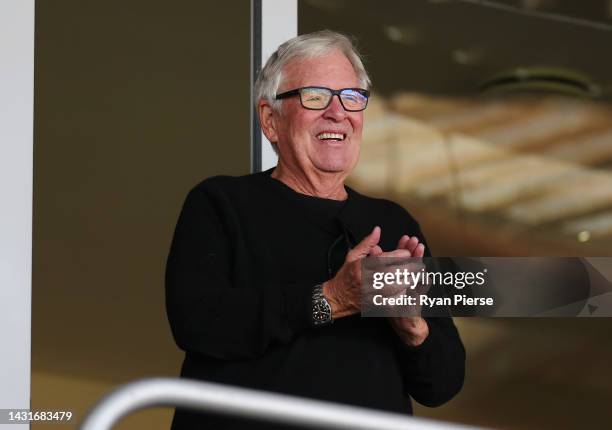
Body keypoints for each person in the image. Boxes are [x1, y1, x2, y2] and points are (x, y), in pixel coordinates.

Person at [165, 30, 465, 430]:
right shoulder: (223, 203)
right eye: (315, 96)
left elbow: (442, 383)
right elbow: (198, 323)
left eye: (351, 97)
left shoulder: (394, 224)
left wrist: (411, 324)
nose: (338, 112)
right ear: (270, 120)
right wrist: (333, 297)